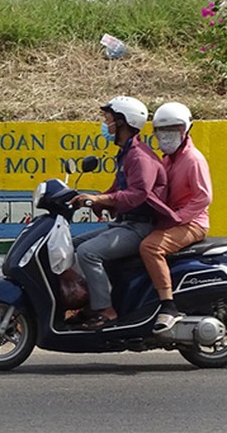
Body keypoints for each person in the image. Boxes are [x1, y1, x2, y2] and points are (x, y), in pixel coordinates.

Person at [67, 96, 173, 329]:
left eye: (108, 119)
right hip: (124, 223)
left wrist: (100, 198)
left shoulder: (140, 157)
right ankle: (92, 301)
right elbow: (117, 189)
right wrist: (94, 200)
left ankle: (106, 310)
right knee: (71, 245)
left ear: (123, 122)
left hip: (140, 227)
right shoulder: (126, 153)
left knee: (87, 253)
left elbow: (138, 194)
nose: (105, 125)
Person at [140, 102, 213, 333]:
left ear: (186, 129)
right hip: (173, 221)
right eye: (162, 130)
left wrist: (179, 217)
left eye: (174, 129)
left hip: (193, 223)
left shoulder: (193, 159)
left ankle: (168, 306)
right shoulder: (168, 159)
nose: (167, 135)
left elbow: (204, 197)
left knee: (150, 247)